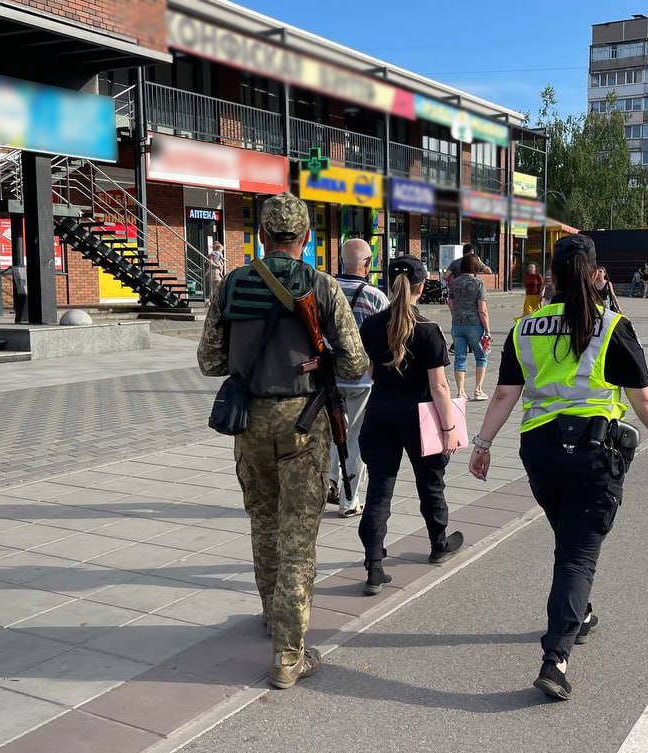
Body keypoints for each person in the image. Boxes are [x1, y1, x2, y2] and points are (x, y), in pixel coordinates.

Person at [467, 234, 648, 701]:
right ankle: (555, 658)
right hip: (593, 453)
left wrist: (482, 444)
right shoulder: (612, 326)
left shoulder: (524, 328)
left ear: (552, 277)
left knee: (570, 539)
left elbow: (504, 393)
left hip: (540, 452)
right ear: (597, 275)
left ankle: (579, 612)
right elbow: (643, 395)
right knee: (577, 555)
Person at [197, 192, 368, 689]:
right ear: (307, 237)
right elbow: (355, 364)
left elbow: (210, 361)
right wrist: (318, 358)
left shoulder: (231, 284)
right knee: (298, 537)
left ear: (262, 236)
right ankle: (289, 655)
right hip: (304, 425)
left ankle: (273, 615)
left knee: (264, 524)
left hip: (249, 422)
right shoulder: (321, 285)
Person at [358, 255, 465, 595]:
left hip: (380, 415)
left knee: (379, 490)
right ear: (421, 287)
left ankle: (374, 565)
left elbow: (369, 373)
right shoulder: (428, 330)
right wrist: (450, 429)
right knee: (430, 484)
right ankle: (438, 544)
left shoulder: (371, 325)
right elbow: (439, 387)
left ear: (390, 285)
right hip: (421, 418)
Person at [326, 239, 390, 518]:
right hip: (363, 379)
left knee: (332, 433)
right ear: (368, 264)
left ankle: (328, 483)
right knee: (355, 438)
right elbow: (388, 339)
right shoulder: (376, 297)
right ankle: (350, 500)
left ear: (342, 261)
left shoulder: (326, 290)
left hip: (328, 376)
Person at [448, 254, 492, 400]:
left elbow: (451, 303)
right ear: (475, 267)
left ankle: (460, 392)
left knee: (460, 357)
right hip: (474, 325)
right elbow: (482, 310)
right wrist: (487, 330)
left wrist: (456, 315)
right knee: (481, 356)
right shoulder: (479, 284)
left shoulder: (454, 283)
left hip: (457, 324)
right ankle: (478, 390)